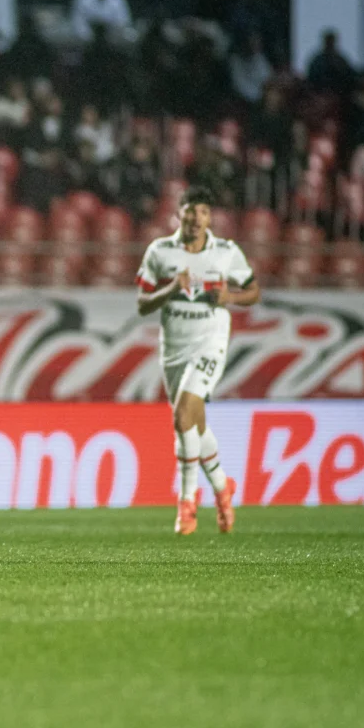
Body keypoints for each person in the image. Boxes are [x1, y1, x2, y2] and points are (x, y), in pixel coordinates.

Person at [135, 186, 261, 536]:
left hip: (210, 342)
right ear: (181, 214)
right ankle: (223, 487)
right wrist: (170, 290)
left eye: (202, 212)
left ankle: (186, 503)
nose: (195, 218)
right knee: (194, 425)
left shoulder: (226, 252)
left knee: (182, 414)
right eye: (190, 211)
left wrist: (231, 296)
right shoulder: (160, 251)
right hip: (174, 347)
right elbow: (142, 303)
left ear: (209, 218)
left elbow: (253, 291)